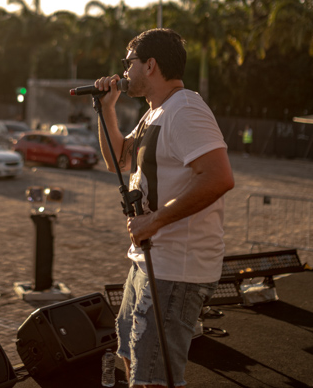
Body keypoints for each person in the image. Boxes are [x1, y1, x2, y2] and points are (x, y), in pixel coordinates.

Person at [93, 28, 234, 387]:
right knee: (130, 352)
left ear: (150, 65)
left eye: (129, 63)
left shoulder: (185, 110)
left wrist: (154, 221)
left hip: (177, 268)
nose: (124, 72)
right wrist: (105, 108)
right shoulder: (155, 113)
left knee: (154, 374)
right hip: (148, 260)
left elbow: (218, 178)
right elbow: (117, 161)